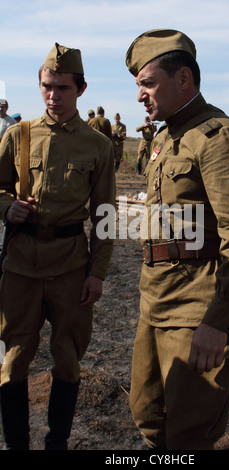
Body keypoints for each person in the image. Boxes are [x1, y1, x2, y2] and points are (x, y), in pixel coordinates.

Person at [125, 29, 229, 450]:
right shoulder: (167, 137)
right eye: (138, 85)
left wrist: (218, 320)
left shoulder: (217, 136)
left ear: (184, 78)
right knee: (149, 416)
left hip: (197, 308)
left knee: (189, 433)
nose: (140, 95)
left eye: (148, 83)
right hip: (156, 297)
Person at [0, 42, 115, 450]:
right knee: (12, 361)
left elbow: (104, 214)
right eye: (47, 86)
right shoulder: (18, 135)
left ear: (80, 89)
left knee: (67, 359)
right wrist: (5, 205)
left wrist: (97, 273)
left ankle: (57, 443)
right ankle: (16, 444)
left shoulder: (98, 146)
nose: (54, 95)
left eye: (63, 88)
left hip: (69, 266)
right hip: (20, 265)